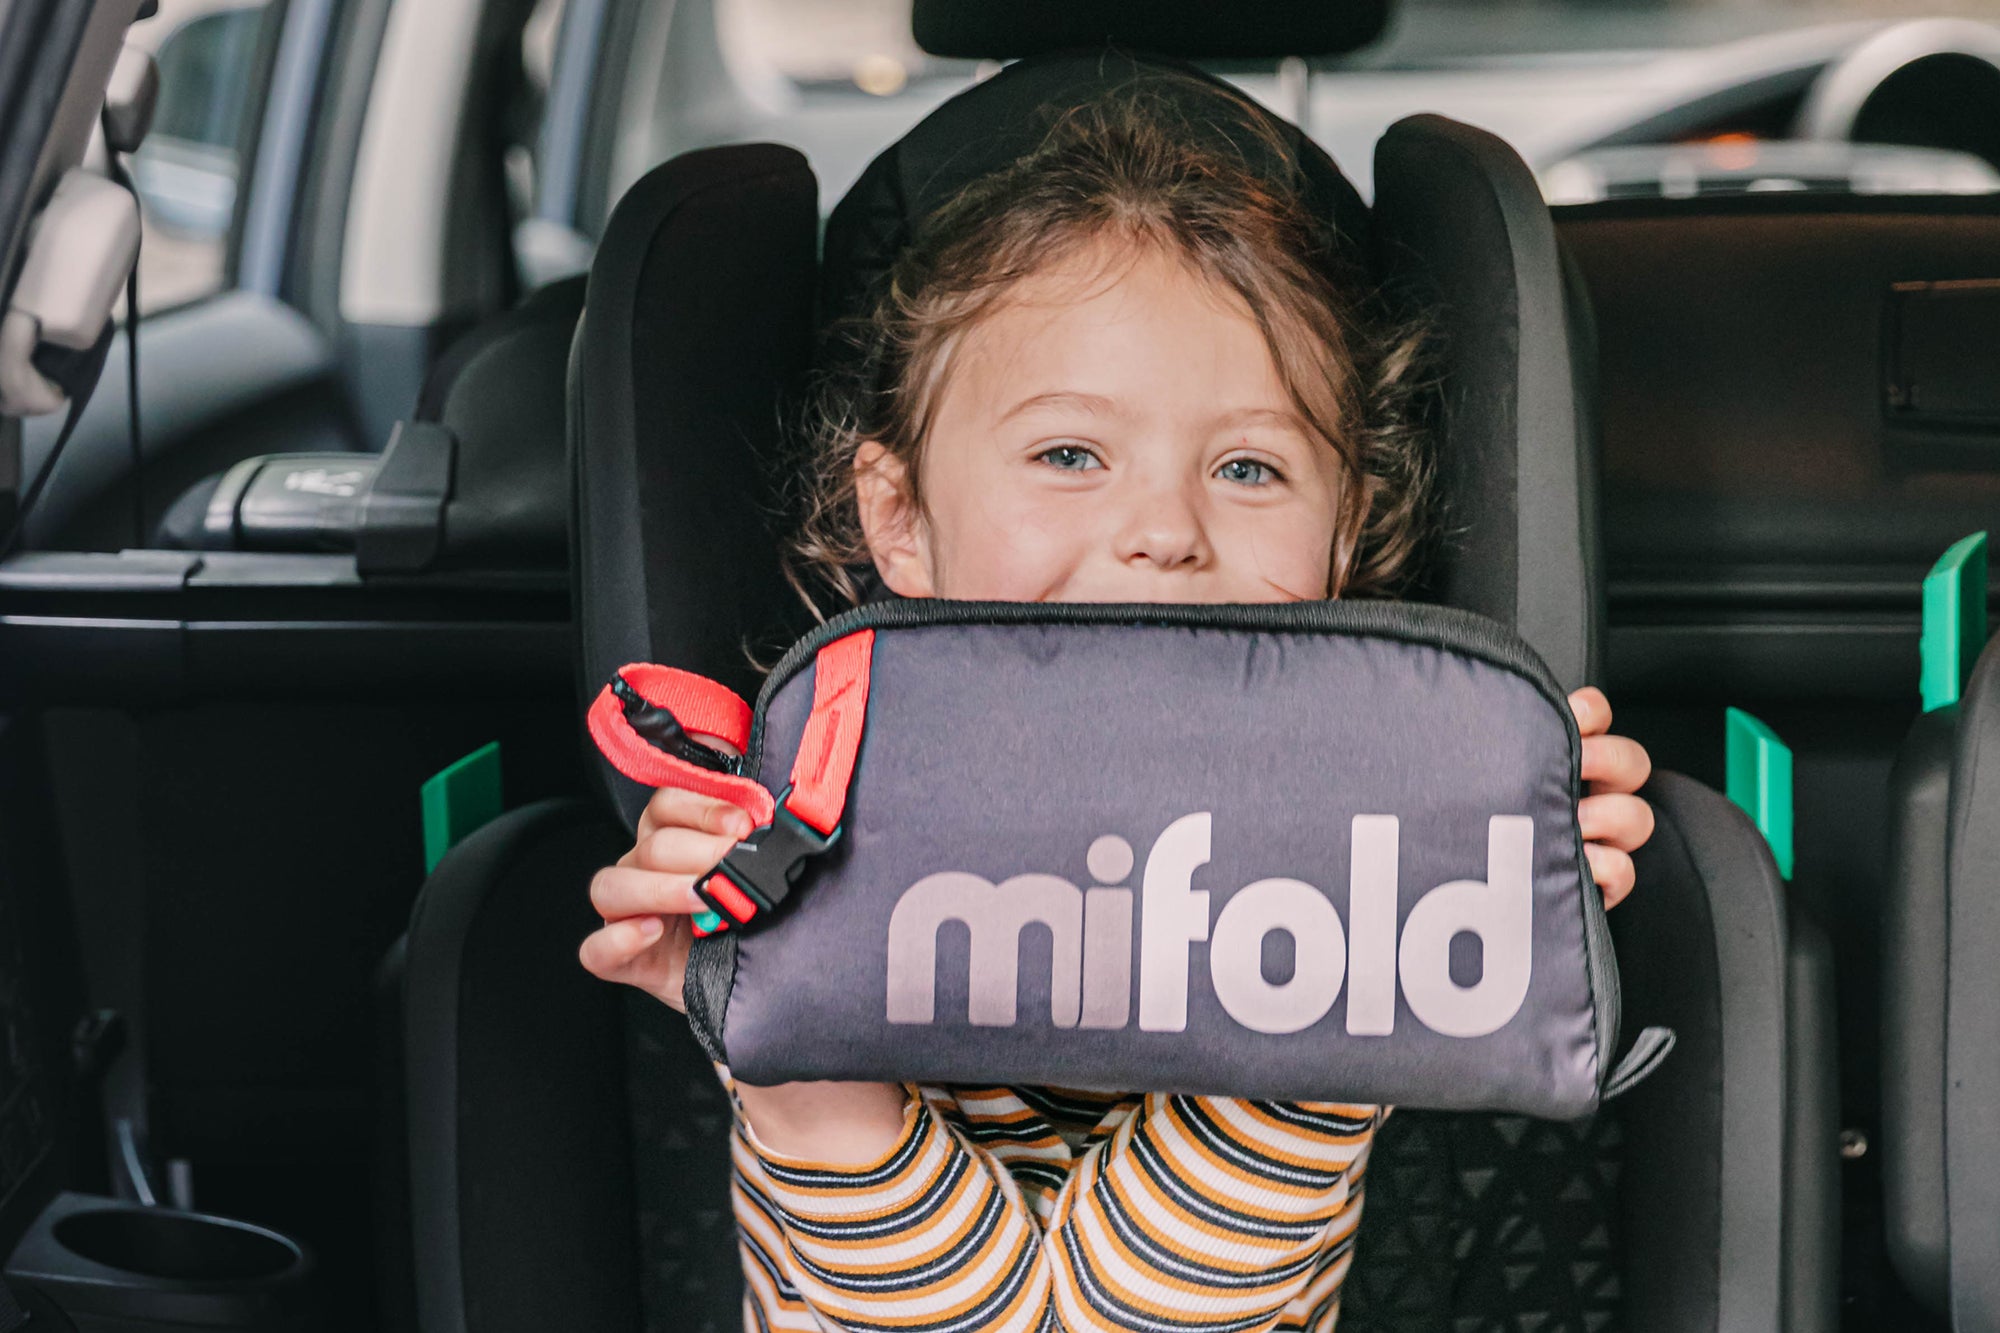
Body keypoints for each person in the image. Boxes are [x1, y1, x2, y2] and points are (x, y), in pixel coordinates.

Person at [579, 80, 1656, 1333]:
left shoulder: (1372, 868)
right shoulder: (794, 846)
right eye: (1068, 455)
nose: (1161, 532)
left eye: (1247, 467)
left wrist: (1428, 912)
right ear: (898, 519)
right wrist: (785, 1029)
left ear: (1345, 536)